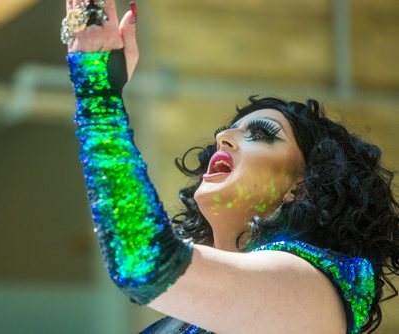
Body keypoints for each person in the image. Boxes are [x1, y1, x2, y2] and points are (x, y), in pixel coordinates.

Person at [62, 1, 399, 333]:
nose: (223, 137)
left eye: (262, 134)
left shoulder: (313, 288)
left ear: (303, 186)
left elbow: (144, 261)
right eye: (227, 130)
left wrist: (97, 88)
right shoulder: (184, 318)